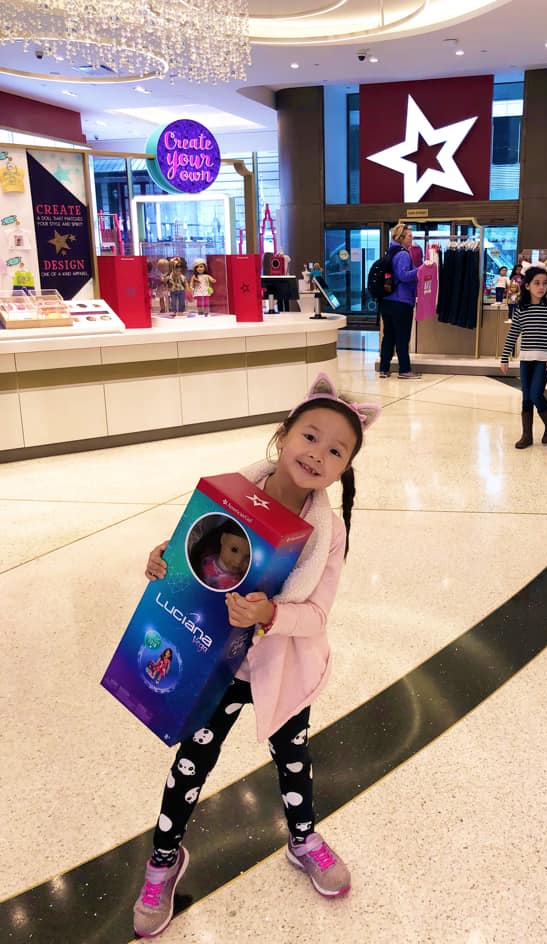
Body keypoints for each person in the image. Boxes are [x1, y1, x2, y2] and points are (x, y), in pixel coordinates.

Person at [132, 373, 381, 939]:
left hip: (280, 664)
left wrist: (271, 615)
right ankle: (165, 857)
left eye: (336, 450)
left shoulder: (327, 531)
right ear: (282, 435)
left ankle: (302, 839)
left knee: (293, 758)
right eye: (310, 437)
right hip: (212, 662)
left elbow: (316, 615)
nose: (318, 454)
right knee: (191, 763)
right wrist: (161, 561)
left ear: (345, 468)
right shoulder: (232, 493)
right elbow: (193, 554)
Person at [500, 266, 547, 449]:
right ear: (527, 286)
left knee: (536, 393)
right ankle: (527, 435)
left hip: (545, 359)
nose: (541, 287)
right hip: (526, 358)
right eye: (537, 283)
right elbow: (513, 333)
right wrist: (505, 356)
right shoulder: (521, 308)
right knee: (527, 397)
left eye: (544, 283)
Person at [378, 222, 421, 380]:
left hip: (387, 301)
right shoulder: (403, 254)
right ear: (401, 237)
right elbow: (403, 276)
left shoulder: (390, 252)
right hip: (401, 302)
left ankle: (384, 368)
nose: (412, 238)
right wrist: (420, 270)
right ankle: (404, 370)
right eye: (409, 236)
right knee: (402, 337)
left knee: (388, 336)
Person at [188, 518, 251, 590]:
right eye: (234, 550)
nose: (238, 561)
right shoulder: (205, 557)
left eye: (248, 557)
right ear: (223, 539)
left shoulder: (239, 583)